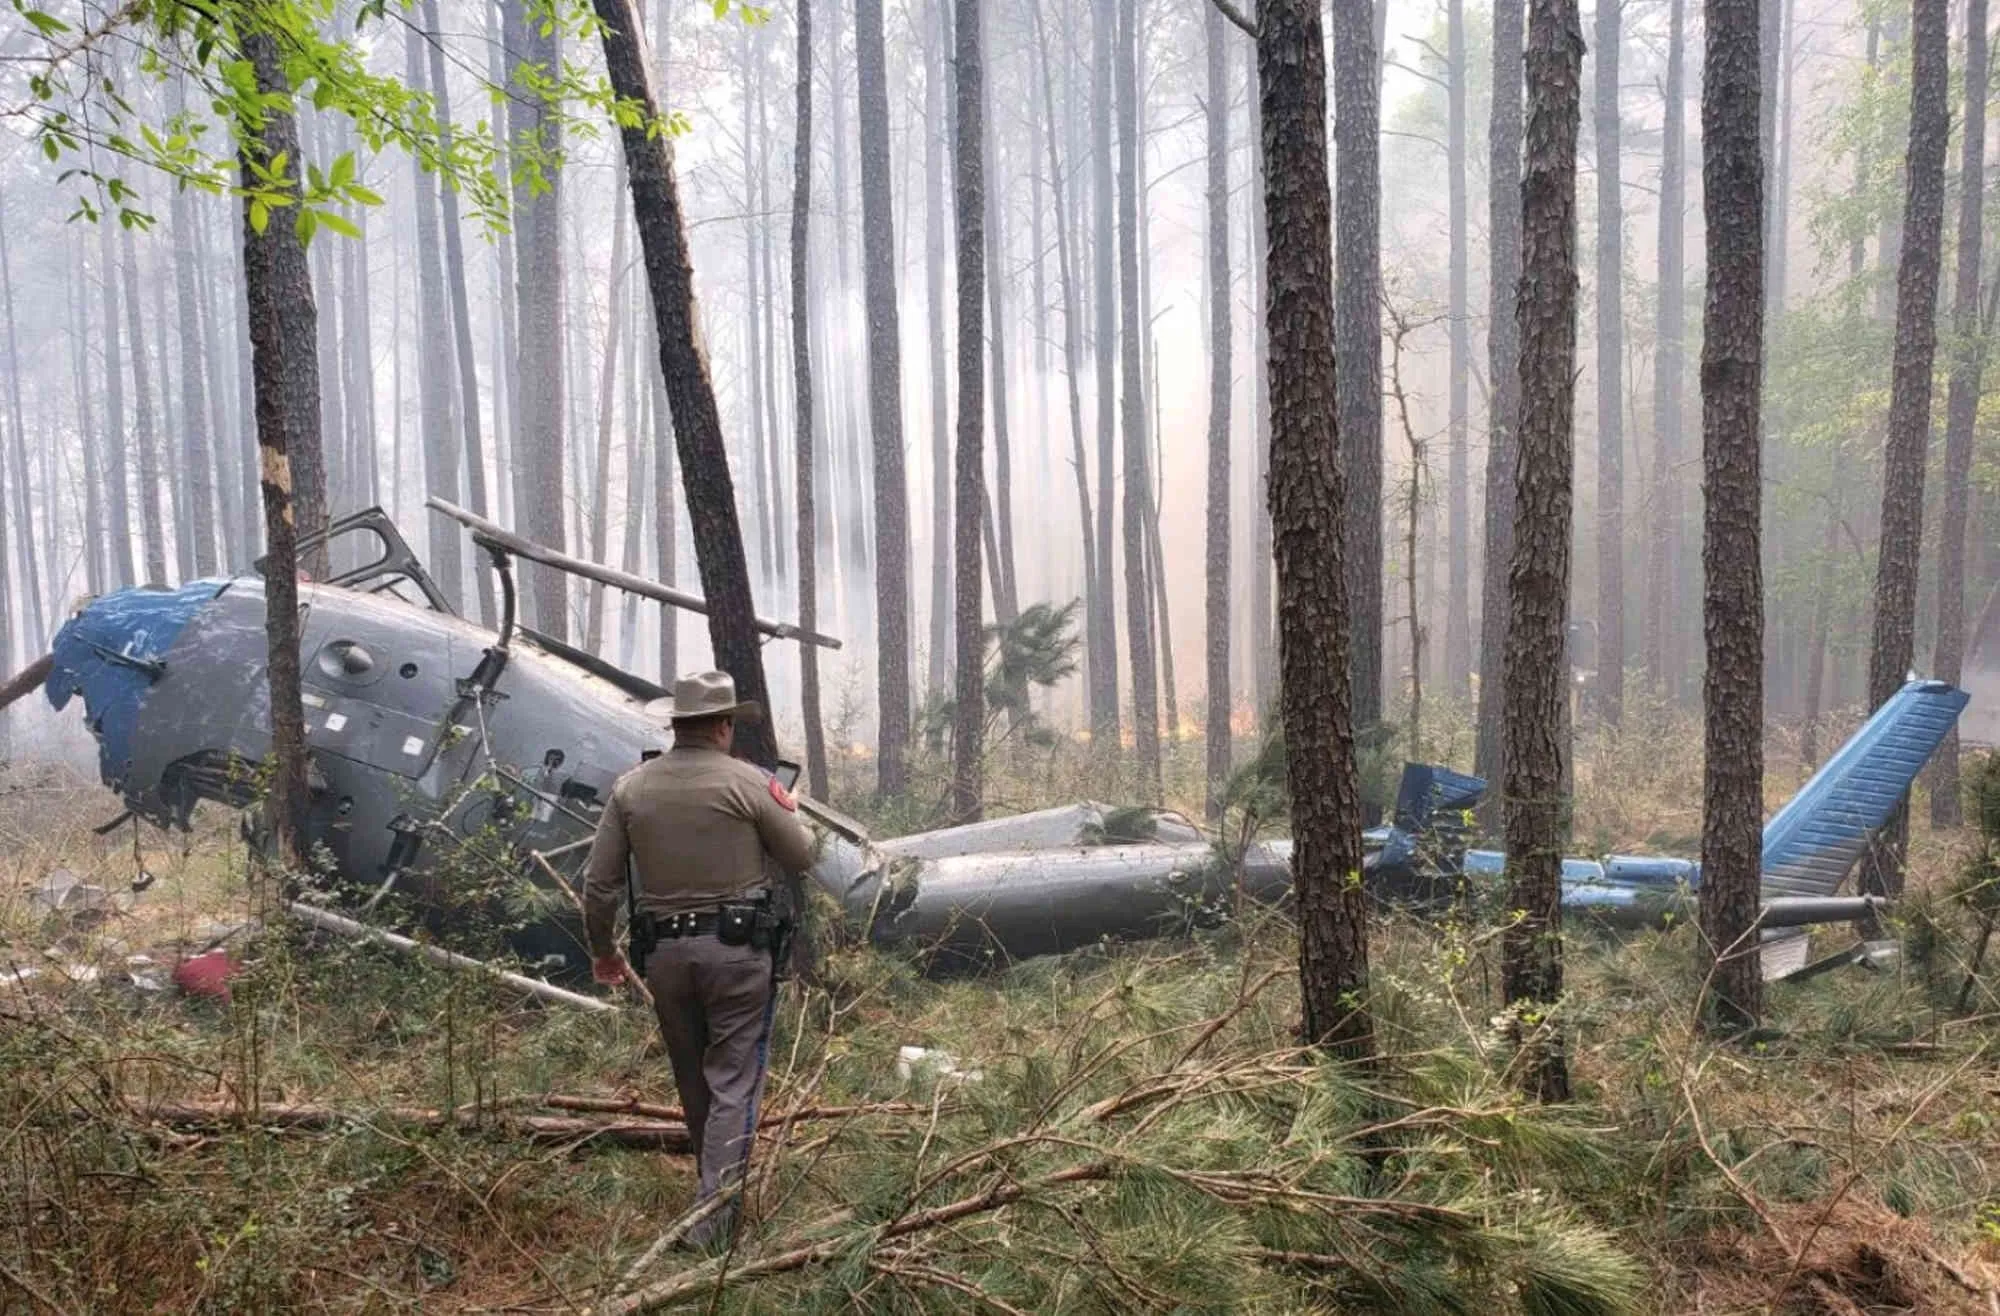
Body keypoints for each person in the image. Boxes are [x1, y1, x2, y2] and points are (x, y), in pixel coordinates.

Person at [582, 670, 816, 1249]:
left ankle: (710, 1196)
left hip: (663, 956)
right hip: (738, 954)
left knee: (694, 1077)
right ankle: (713, 1221)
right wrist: (793, 810)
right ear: (723, 726)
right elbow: (801, 856)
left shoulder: (631, 789)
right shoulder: (750, 783)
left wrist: (604, 951)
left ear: (678, 725)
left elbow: (599, 885)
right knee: (733, 1079)